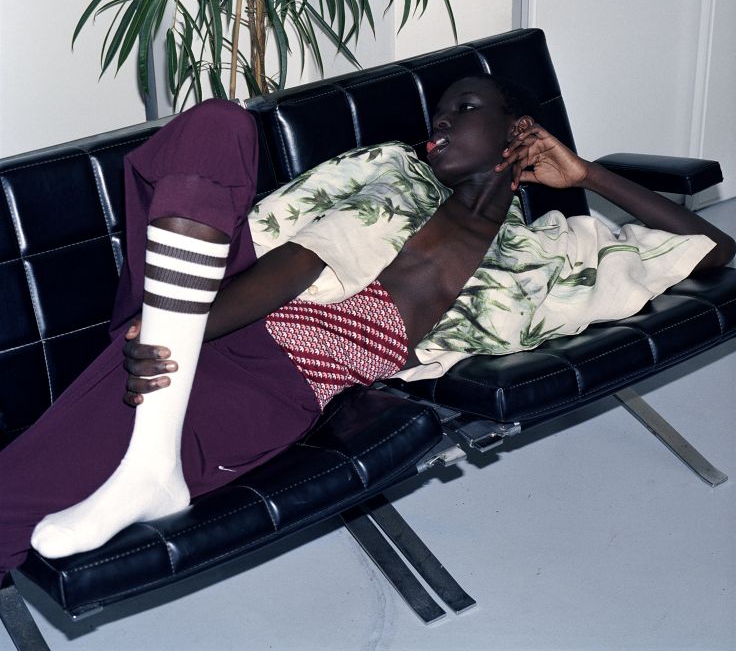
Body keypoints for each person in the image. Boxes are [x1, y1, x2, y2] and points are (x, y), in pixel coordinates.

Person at [1, 75, 733, 580]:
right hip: (201, 295)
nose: (440, 122)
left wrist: (588, 176)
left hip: (280, 383)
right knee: (219, 122)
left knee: (14, 503)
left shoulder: (544, 255)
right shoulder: (391, 170)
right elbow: (292, 259)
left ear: (519, 132)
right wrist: (174, 330)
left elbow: (714, 252)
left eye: (464, 107)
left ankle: (151, 460)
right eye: (438, 113)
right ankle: (150, 458)